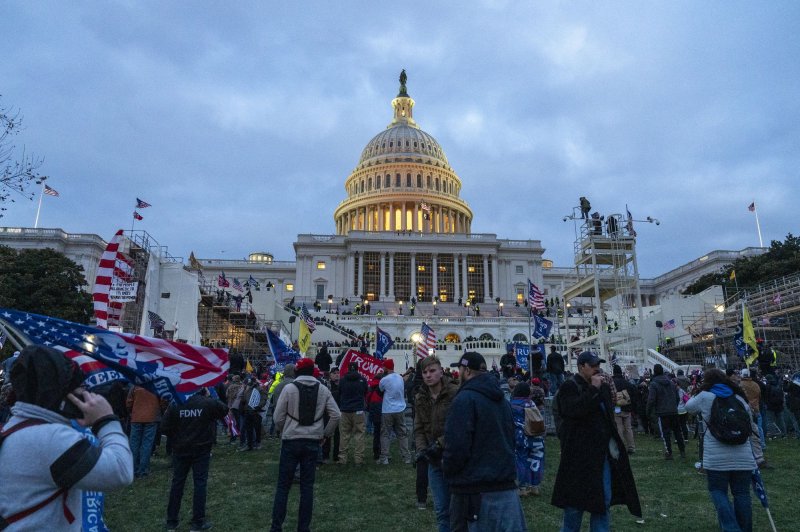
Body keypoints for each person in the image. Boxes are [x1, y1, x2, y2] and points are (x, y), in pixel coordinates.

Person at [0, 345, 133, 530]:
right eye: (79, 387)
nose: (85, 393)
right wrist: (106, 420)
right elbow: (120, 471)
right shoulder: (50, 437)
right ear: (61, 393)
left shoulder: (16, 429)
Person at [552, 351, 641, 531]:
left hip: (602, 454)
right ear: (581, 366)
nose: (596, 369)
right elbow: (575, 410)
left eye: (597, 365)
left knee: (603, 501)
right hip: (579, 456)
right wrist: (593, 389)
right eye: (592, 365)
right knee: (575, 505)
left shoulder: (603, 387)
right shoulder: (570, 387)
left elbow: (607, 416)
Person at [443, 352, 527, 532]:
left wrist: (448, 470)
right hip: (505, 486)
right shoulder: (503, 400)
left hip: (474, 490)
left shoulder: (464, 399)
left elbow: (457, 446)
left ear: (466, 370)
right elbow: (511, 436)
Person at [270, 357, 340, 532]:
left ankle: (276, 526)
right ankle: (303, 528)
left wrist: (283, 429)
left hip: (291, 440)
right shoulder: (323, 389)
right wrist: (325, 434)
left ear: (297, 372)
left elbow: (277, 417)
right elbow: (336, 415)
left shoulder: (289, 388)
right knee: (307, 487)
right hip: (312, 441)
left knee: (283, 486)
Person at [685, 369, 756, 532]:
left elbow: (688, 407)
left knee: (718, 491)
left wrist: (696, 393)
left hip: (716, 457)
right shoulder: (738, 397)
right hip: (743, 455)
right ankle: (745, 528)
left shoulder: (704, 396)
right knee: (742, 494)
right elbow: (749, 422)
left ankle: (731, 528)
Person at [162, 387, 226, 532]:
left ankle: (172, 521)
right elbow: (224, 409)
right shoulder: (206, 402)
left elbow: (164, 427)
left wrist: (177, 436)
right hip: (201, 449)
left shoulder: (176, 403)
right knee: (200, 484)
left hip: (181, 449)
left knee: (177, 483)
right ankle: (197, 522)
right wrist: (212, 397)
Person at [414, 355, 458, 531]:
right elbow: (418, 427)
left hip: (454, 456)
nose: (428, 375)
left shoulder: (455, 392)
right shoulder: (420, 397)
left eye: (432, 371)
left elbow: (458, 426)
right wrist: (423, 450)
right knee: (441, 510)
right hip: (433, 459)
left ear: (441, 371)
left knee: (459, 509)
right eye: (424, 372)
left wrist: (438, 445)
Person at [510, 382, 545, 497]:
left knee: (521, 460)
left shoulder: (513, 404)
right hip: (536, 436)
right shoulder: (531, 403)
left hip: (521, 436)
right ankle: (535, 486)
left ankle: (522, 488)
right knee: (536, 460)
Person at [647, 364, 686, 459]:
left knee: (665, 433)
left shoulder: (654, 384)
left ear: (654, 371)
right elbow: (677, 397)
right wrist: (674, 406)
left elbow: (651, 399)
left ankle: (669, 452)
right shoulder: (671, 383)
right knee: (677, 431)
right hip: (673, 410)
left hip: (662, 412)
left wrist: (648, 410)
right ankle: (682, 451)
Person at [378, 358, 411, 465]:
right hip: (400, 408)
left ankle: (385, 458)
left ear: (386, 368)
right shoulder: (400, 378)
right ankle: (406, 457)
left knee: (385, 434)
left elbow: (380, 390)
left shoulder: (384, 380)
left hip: (387, 409)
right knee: (402, 434)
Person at [126, 385, 162, 478]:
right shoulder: (156, 386)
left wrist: (131, 412)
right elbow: (163, 400)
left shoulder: (134, 386)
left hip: (136, 418)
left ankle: (133, 470)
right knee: (147, 445)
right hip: (151, 418)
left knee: (134, 444)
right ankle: (143, 471)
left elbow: (129, 402)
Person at [338, 362, 367, 465]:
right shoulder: (362, 380)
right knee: (359, 434)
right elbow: (365, 392)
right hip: (358, 410)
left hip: (345, 409)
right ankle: (359, 459)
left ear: (348, 368)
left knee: (344, 435)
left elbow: (339, 392)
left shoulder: (342, 380)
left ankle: (342, 459)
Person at [611, 364, 637, 454]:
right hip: (627, 408)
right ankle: (631, 447)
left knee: (619, 428)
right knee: (628, 428)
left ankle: (621, 447)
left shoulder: (612, 382)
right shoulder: (626, 382)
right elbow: (633, 393)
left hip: (617, 407)